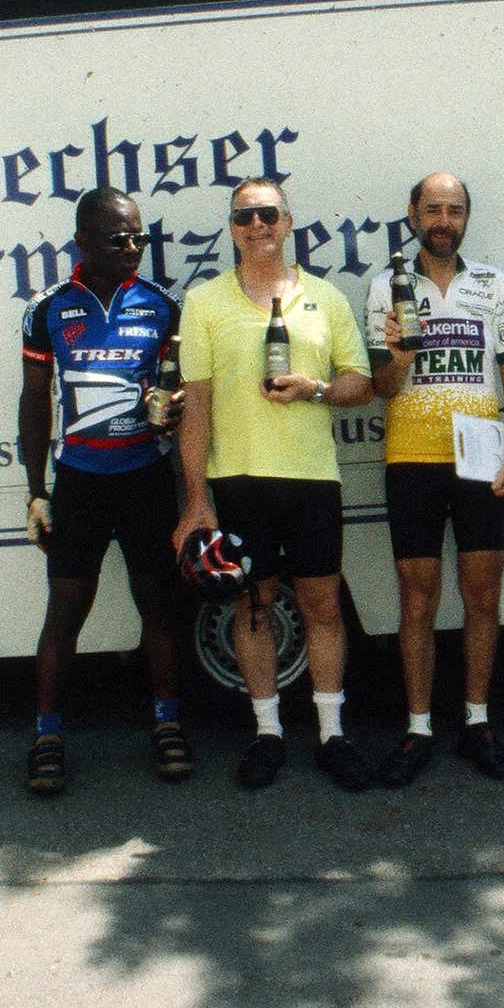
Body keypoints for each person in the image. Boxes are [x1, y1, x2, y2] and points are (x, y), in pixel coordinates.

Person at [171, 178, 379, 790]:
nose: (256, 225)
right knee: (254, 608)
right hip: (236, 479)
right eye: (243, 216)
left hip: (312, 478)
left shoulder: (327, 298)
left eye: (267, 214)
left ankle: (332, 735)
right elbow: (198, 410)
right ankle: (267, 733)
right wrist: (196, 501)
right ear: (231, 228)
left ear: (288, 223)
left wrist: (314, 389)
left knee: (321, 607)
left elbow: (360, 382)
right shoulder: (205, 302)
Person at [16, 187, 191, 797]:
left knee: (160, 608)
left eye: (140, 236)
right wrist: (37, 491)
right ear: (83, 241)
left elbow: (175, 392)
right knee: (64, 613)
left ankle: (168, 725)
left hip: (145, 477)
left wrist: (170, 410)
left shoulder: (163, 306)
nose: (134, 247)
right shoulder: (48, 309)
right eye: (120, 238)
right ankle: (46, 735)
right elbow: (34, 402)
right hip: (81, 483)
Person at [363, 172, 504, 785]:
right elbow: (382, 388)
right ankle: (418, 729)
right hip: (411, 459)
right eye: (432, 209)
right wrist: (399, 360)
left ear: (465, 219)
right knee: (417, 600)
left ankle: (478, 723)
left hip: (481, 460)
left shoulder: (492, 283)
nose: (443, 220)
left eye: (454, 210)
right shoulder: (386, 288)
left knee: (483, 597)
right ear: (412, 215)